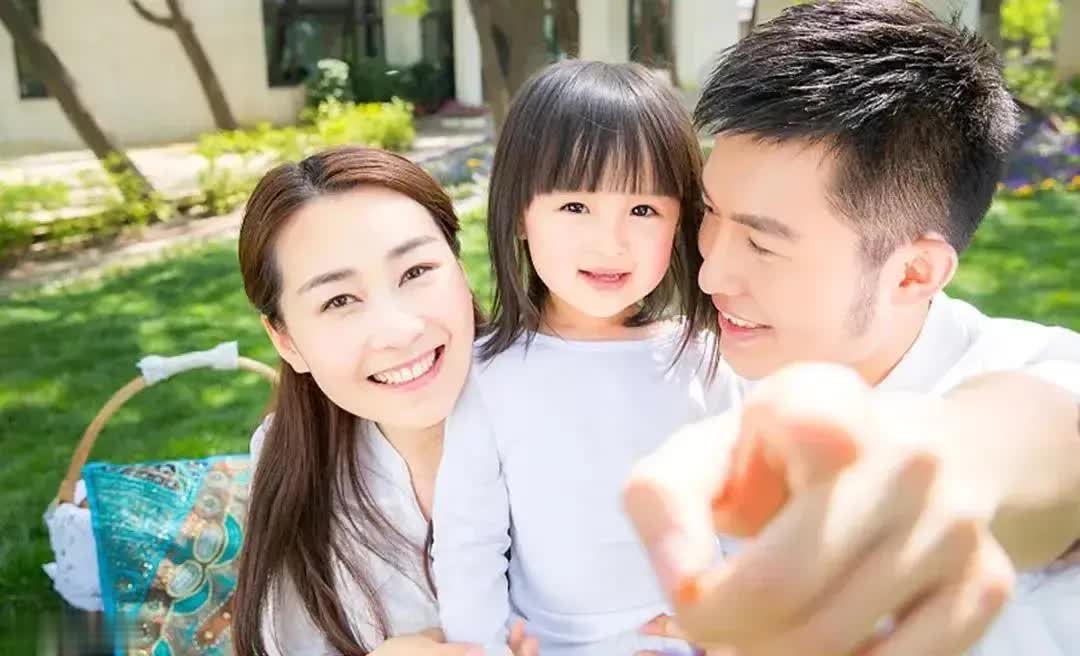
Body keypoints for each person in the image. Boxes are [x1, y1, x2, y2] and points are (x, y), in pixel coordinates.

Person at [624, 2, 1080, 655]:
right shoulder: (700, 372)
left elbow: (1038, 439)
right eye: (711, 213)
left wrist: (956, 465)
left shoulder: (1033, 372)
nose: (710, 273)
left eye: (763, 244)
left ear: (914, 273)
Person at [432, 60, 735, 656]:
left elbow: (744, 519)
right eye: (575, 206)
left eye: (643, 211)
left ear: (680, 221)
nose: (610, 242)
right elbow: (469, 544)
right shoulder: (490, 373)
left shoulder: (705, 357)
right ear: (520, 215)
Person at [231, 147, 537, 656]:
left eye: (415, 272)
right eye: (338, 300)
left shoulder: (567, 407)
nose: (398, 331)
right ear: (285, 340)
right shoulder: (294, 464)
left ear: (459, 268)